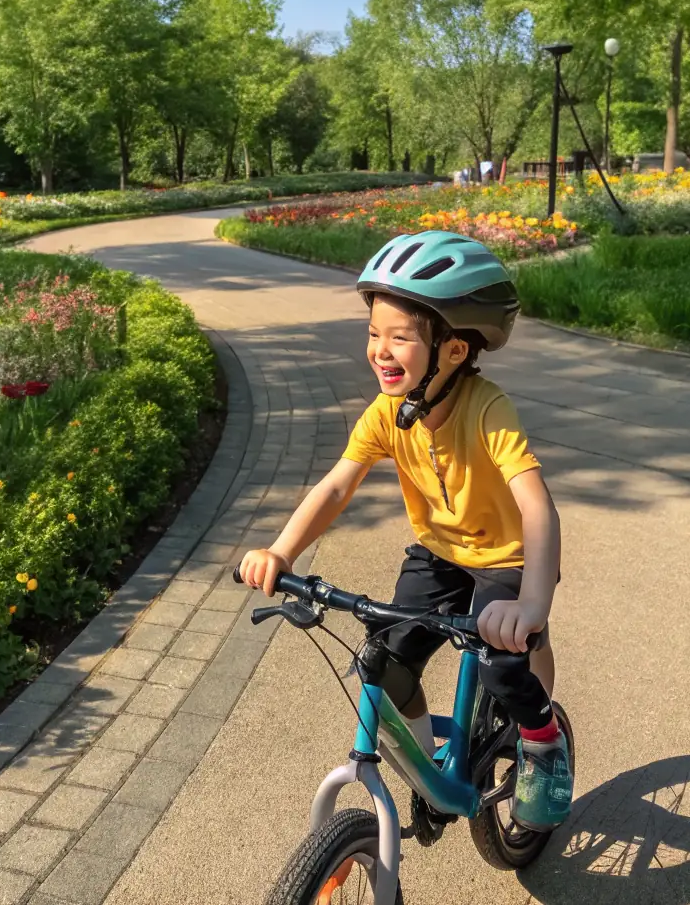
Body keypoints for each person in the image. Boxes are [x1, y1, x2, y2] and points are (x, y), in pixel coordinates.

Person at [238, 230, 573, 831]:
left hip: (504, 557)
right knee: (382, 660)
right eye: (373, 333)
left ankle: (543, 740)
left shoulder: (486, 408)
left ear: (452, 349)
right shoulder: (387, 413)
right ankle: (428, 767)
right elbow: (338, 485)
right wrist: (281, 551)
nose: (380, 350)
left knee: (503, 663)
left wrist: (531, 603)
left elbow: (537, 506)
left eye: (399, 337)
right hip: (438, 552)